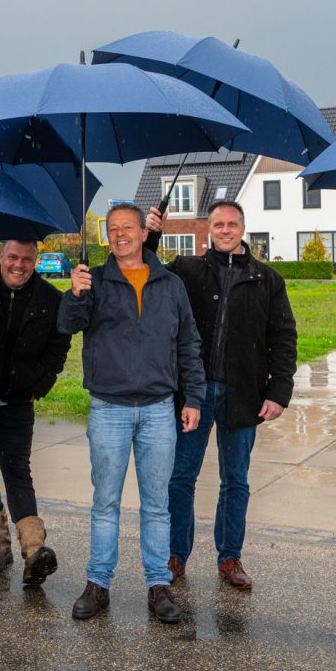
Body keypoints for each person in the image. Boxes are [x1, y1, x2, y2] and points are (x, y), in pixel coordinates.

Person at [58, 204, 203, 625]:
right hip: (110, 409)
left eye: (128, 228)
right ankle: (97, 583)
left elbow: (188, 345)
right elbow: (68, 325)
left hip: (159, 409)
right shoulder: (95, 280)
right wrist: (75, 293)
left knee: (157, 506)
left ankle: (159, 585)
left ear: (144, 233)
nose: (120, 234)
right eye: (113, 229)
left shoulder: (171, 284)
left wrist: (192, 398)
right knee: (105, 503)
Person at [145, 200, 297, 590]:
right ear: (208, 228)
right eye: (218, 224)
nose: (225, 229)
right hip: (193, 394)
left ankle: (229, 557)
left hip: (243, 393)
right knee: (181, 477)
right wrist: (153, 233)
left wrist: (279, 390)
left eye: (232, 223)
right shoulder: (187, 271)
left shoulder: (268, 279)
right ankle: (176, 555)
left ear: (243, 227)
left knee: (236, 480)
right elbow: (143, 270)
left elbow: (283, 337)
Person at [0, 239, 72, 586]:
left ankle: (34, 551)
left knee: (17, 473)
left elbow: (59, 347)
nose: (18, 265)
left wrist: (39, 386)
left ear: (35, 260)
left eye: (26, 259)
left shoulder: (51, 299)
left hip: (18, 400)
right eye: (12, 257)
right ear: (1, 257)